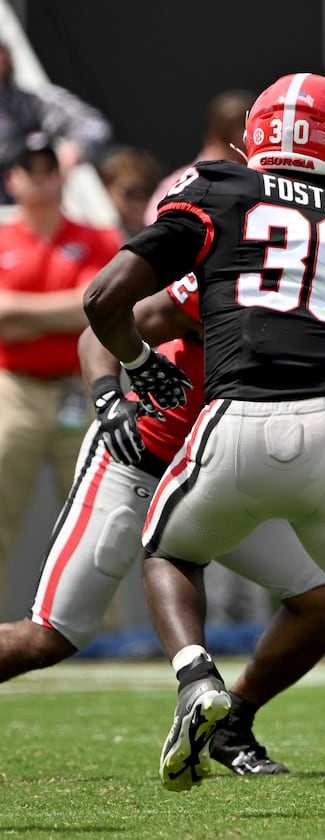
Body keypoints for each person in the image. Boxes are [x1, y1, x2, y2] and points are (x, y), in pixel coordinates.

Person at [81, 73, 325, 816]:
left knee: (169, 553)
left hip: (231, 423)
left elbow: (104, 299)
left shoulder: (221, 192)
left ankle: (198, 678)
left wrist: (136, 369)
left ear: (257, 141)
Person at [0, 277, 325, 776]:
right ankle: (199, 687)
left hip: (216, 479)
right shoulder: (231, 276)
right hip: (138, 463)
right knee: (50, 636)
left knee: (323, 599)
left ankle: (233, 721)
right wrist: (105, 396)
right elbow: (99, 328)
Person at [0, 133, 121, 607]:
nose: (42, 175)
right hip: (14, 389)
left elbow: (93, 308)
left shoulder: (96, 238)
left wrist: (21, 314)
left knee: (97, 518)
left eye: (49, 166)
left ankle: (109, 643)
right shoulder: (4, 238)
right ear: (12, 179)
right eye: (30, 167)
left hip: (80, 385)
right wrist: (65, 309)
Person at [0, 41, 112, 197]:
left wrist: (72, 151)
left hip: (23, 205)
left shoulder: (31, 103)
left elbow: (93, 126)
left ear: (4, 55)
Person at [143, 89, 252, 226]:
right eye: (230, 142)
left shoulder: (258, 183)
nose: (242, 150)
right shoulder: (176, 184)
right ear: (214, 137)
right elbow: (154, 223)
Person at [98, 146, 162, 237]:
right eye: (130, 194)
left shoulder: (155, 240)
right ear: (105, 187)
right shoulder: (85, 232)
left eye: (147, 193)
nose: (138, 205)